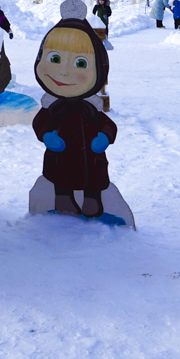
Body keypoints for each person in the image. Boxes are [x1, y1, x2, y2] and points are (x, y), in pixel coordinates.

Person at [31, 13, 116, 218]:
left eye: (80, 63)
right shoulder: (52, 106)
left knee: (93, 179)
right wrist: (46, 135)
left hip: (90, 158)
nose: (63, 72)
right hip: (60, 157)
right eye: (55, 59)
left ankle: (92, 199)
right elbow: (40, 122)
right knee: (61, 176)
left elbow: (108, 125)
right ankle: (63, 198)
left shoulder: (91, 108)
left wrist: (104, 137)